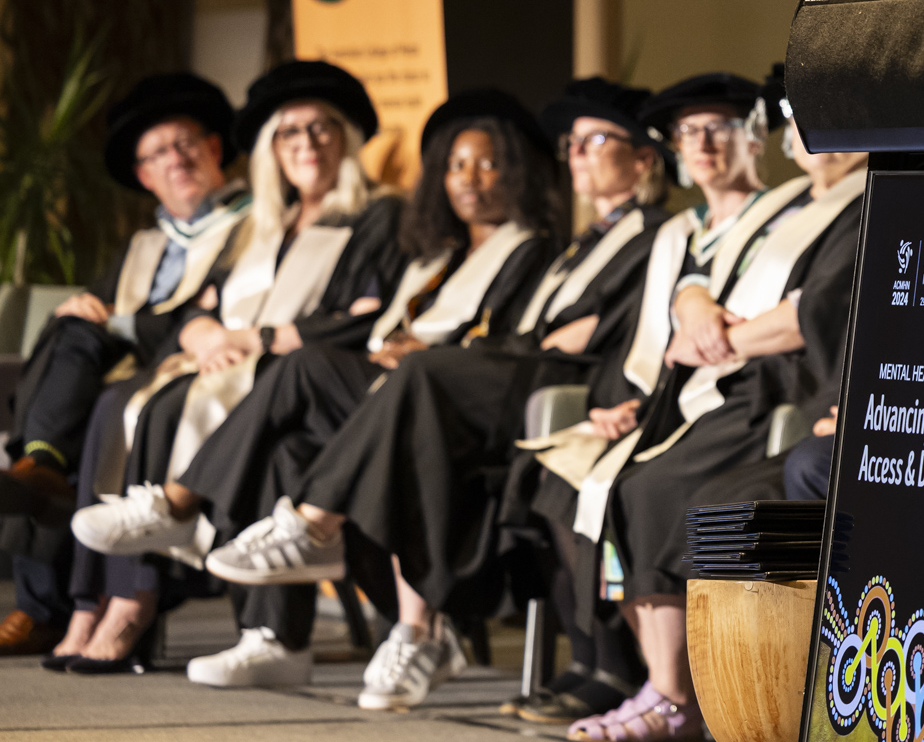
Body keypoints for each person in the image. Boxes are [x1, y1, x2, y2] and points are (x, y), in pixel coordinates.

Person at [98, 79, 673, 702]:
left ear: (642, 159)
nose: (470, 179)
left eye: (488, 164)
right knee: (299, 408)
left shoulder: (588, 241)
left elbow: (568, 335)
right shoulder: (485, 251)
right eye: (455, 165)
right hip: (439, 388)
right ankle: (272, 624)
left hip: (497, 398)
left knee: (370, 374)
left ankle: (286, 529)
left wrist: (431, 352)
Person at [56, 61, 407, 675]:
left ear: (347, 140)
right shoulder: (267, 225)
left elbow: (369, 320)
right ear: (272, 149)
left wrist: (260, 338)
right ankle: (258, 630)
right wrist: (203, 331)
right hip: (259, 376)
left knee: (267, 433)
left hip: (328, 388)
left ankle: (182, 527)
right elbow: (199, 303)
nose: (306, 145)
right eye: (289, 133)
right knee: (160, 406)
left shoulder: (378, 216)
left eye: (321, 129)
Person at [564, 85, 867, 742]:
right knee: (611, 485)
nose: (813, 135)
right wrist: (696, 304)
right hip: (728, 375)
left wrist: (718, 340)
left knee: (660, 490)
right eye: (803, 118)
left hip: (784, 387)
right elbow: (710, 270)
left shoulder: (865, 201)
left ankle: (675, 693)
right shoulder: (799, 206)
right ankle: (653, 681)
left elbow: (817, 310)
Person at [0, 73, 248, 658]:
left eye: (185, 144)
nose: (175, 160)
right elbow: (107, 309)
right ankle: (41, 470)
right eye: (158, 154)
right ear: (143, 176)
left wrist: (117, 321)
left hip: (192, 366)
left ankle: (45, 589)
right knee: (70, 329)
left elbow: (210, 314)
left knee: (83, 406)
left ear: (214, 148)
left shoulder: (249, 225)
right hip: (122, 369)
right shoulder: (143, 244)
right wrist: (81, 309)